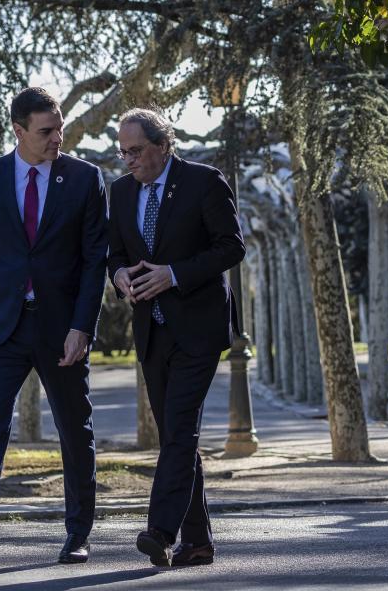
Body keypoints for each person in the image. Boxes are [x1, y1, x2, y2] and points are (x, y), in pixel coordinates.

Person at [0, 87, 108, 566]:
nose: (58, 137)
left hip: (62, 331)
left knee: (75, 431)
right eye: (46, 131)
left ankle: (78, 534)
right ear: (19, 131)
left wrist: (83, 327)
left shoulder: (84, 179)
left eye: (60, 128)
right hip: (1, 329)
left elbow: (95, 260)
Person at [107, 108, 245, 567]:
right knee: (175, 437)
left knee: (180, 428)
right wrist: (120, 276)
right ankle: (198, 541)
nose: (128, 160)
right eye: (122, 151)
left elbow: (231, 246)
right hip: (151, 332)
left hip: (199, 328)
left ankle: (160, 531)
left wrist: (174, 275)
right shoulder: (121, 192)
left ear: (163, 144)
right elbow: (116, 254)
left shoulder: (204, 181)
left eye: (137, 150)